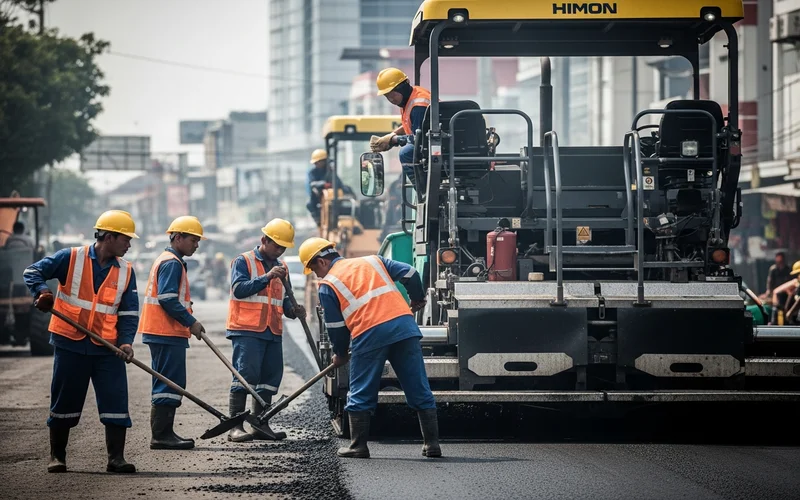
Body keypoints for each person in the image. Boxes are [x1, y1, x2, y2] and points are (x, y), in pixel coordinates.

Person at [298, 237, 441, 459]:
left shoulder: (328, 285)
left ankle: (358, 446)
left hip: (369, 332)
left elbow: (336, 327)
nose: (317, 275)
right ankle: (432, 444)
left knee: (361, 389)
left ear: (322, 261)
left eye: (314, 269)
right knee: (418, 385)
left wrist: (340, 354)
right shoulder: (373, 261)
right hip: (404, 327)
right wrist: (417, 299)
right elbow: (411, 273)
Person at [22, 210, 140, 474]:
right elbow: (32, 271)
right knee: (64, 400)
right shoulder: (70, 258)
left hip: (108, 347)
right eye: (126, 239)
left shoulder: (126, 271)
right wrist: (42, 292)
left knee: (116, 400)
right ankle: (57, 456)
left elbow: (129, 312)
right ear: (108, 237)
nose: (129, 245)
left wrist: (126, 342)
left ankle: (116, 459)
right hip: (70, 343)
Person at [225, 218, 306, 442]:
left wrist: (293, 310)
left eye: (283, 248)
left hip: (272, 330)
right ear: (264, 240)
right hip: (247, 329)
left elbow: (283, 299)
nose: (279, 251)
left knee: (270, 378)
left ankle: (260, 424)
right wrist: (267, 277)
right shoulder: (243, 261)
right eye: (277, 246)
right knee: (245, 377)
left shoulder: (283, 268)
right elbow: (239, 289)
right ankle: (235, 426)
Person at [138, 216, 207, 450]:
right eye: (193, 240)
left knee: (169, 381)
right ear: (178, 238)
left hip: (165, 332)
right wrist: (191, 322)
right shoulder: (172, 263)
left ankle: (163, 433)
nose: (196, 245)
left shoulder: (170, 260)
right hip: (165, 332)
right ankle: (161, 435)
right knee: (169, 383)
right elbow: (167, 299)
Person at [370, 68, 431, 186]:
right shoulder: (413, 96)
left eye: (393, 94)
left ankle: (423, 190)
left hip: (435, 145)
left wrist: (394, 140)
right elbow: (414, 125)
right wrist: (393, 134)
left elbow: (419, 139)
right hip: (433, 142)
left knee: (406, 153)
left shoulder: (418, 106)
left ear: (403, 87)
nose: (391, 99)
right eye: (387, 96)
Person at [306, 149, 354, 226]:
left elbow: (339, 183)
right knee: (309, 204)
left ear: (324, 161)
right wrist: (323, 184)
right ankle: (319, 220)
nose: (317, 164)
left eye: (319, 162)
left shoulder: (331, 172)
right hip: (320, 195)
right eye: (316, 163)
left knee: (347, 189)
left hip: (333, 196)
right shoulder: (313, 173)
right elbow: (312, 184)